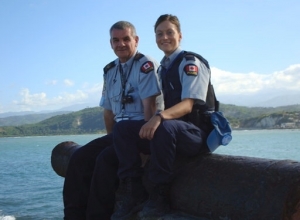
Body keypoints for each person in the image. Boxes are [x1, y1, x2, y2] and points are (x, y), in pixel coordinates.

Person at [111, 14, 221, 219]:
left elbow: (188, 105)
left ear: (179, 35)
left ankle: (159, 194)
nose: (164, 37)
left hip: (197, 134)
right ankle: (132, 188)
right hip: (172, 132)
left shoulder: (191, 62)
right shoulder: (163, 67)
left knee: (163, 127)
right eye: (159, 34)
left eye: (169, 32)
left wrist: (158, 117)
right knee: (123, 129)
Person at [63, 20, 162, 220]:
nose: (121, 44)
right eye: (116, 40)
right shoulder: (110, 70)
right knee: (79, 158)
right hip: (120, 134)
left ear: (136, 40)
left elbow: (150, 108)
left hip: (139, 130)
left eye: (126, 39)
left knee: (104, 161)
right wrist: (114, 142)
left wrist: (143, 146)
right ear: (110, 43)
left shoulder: (146, 64)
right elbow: (108, 112)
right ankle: (73, 216)